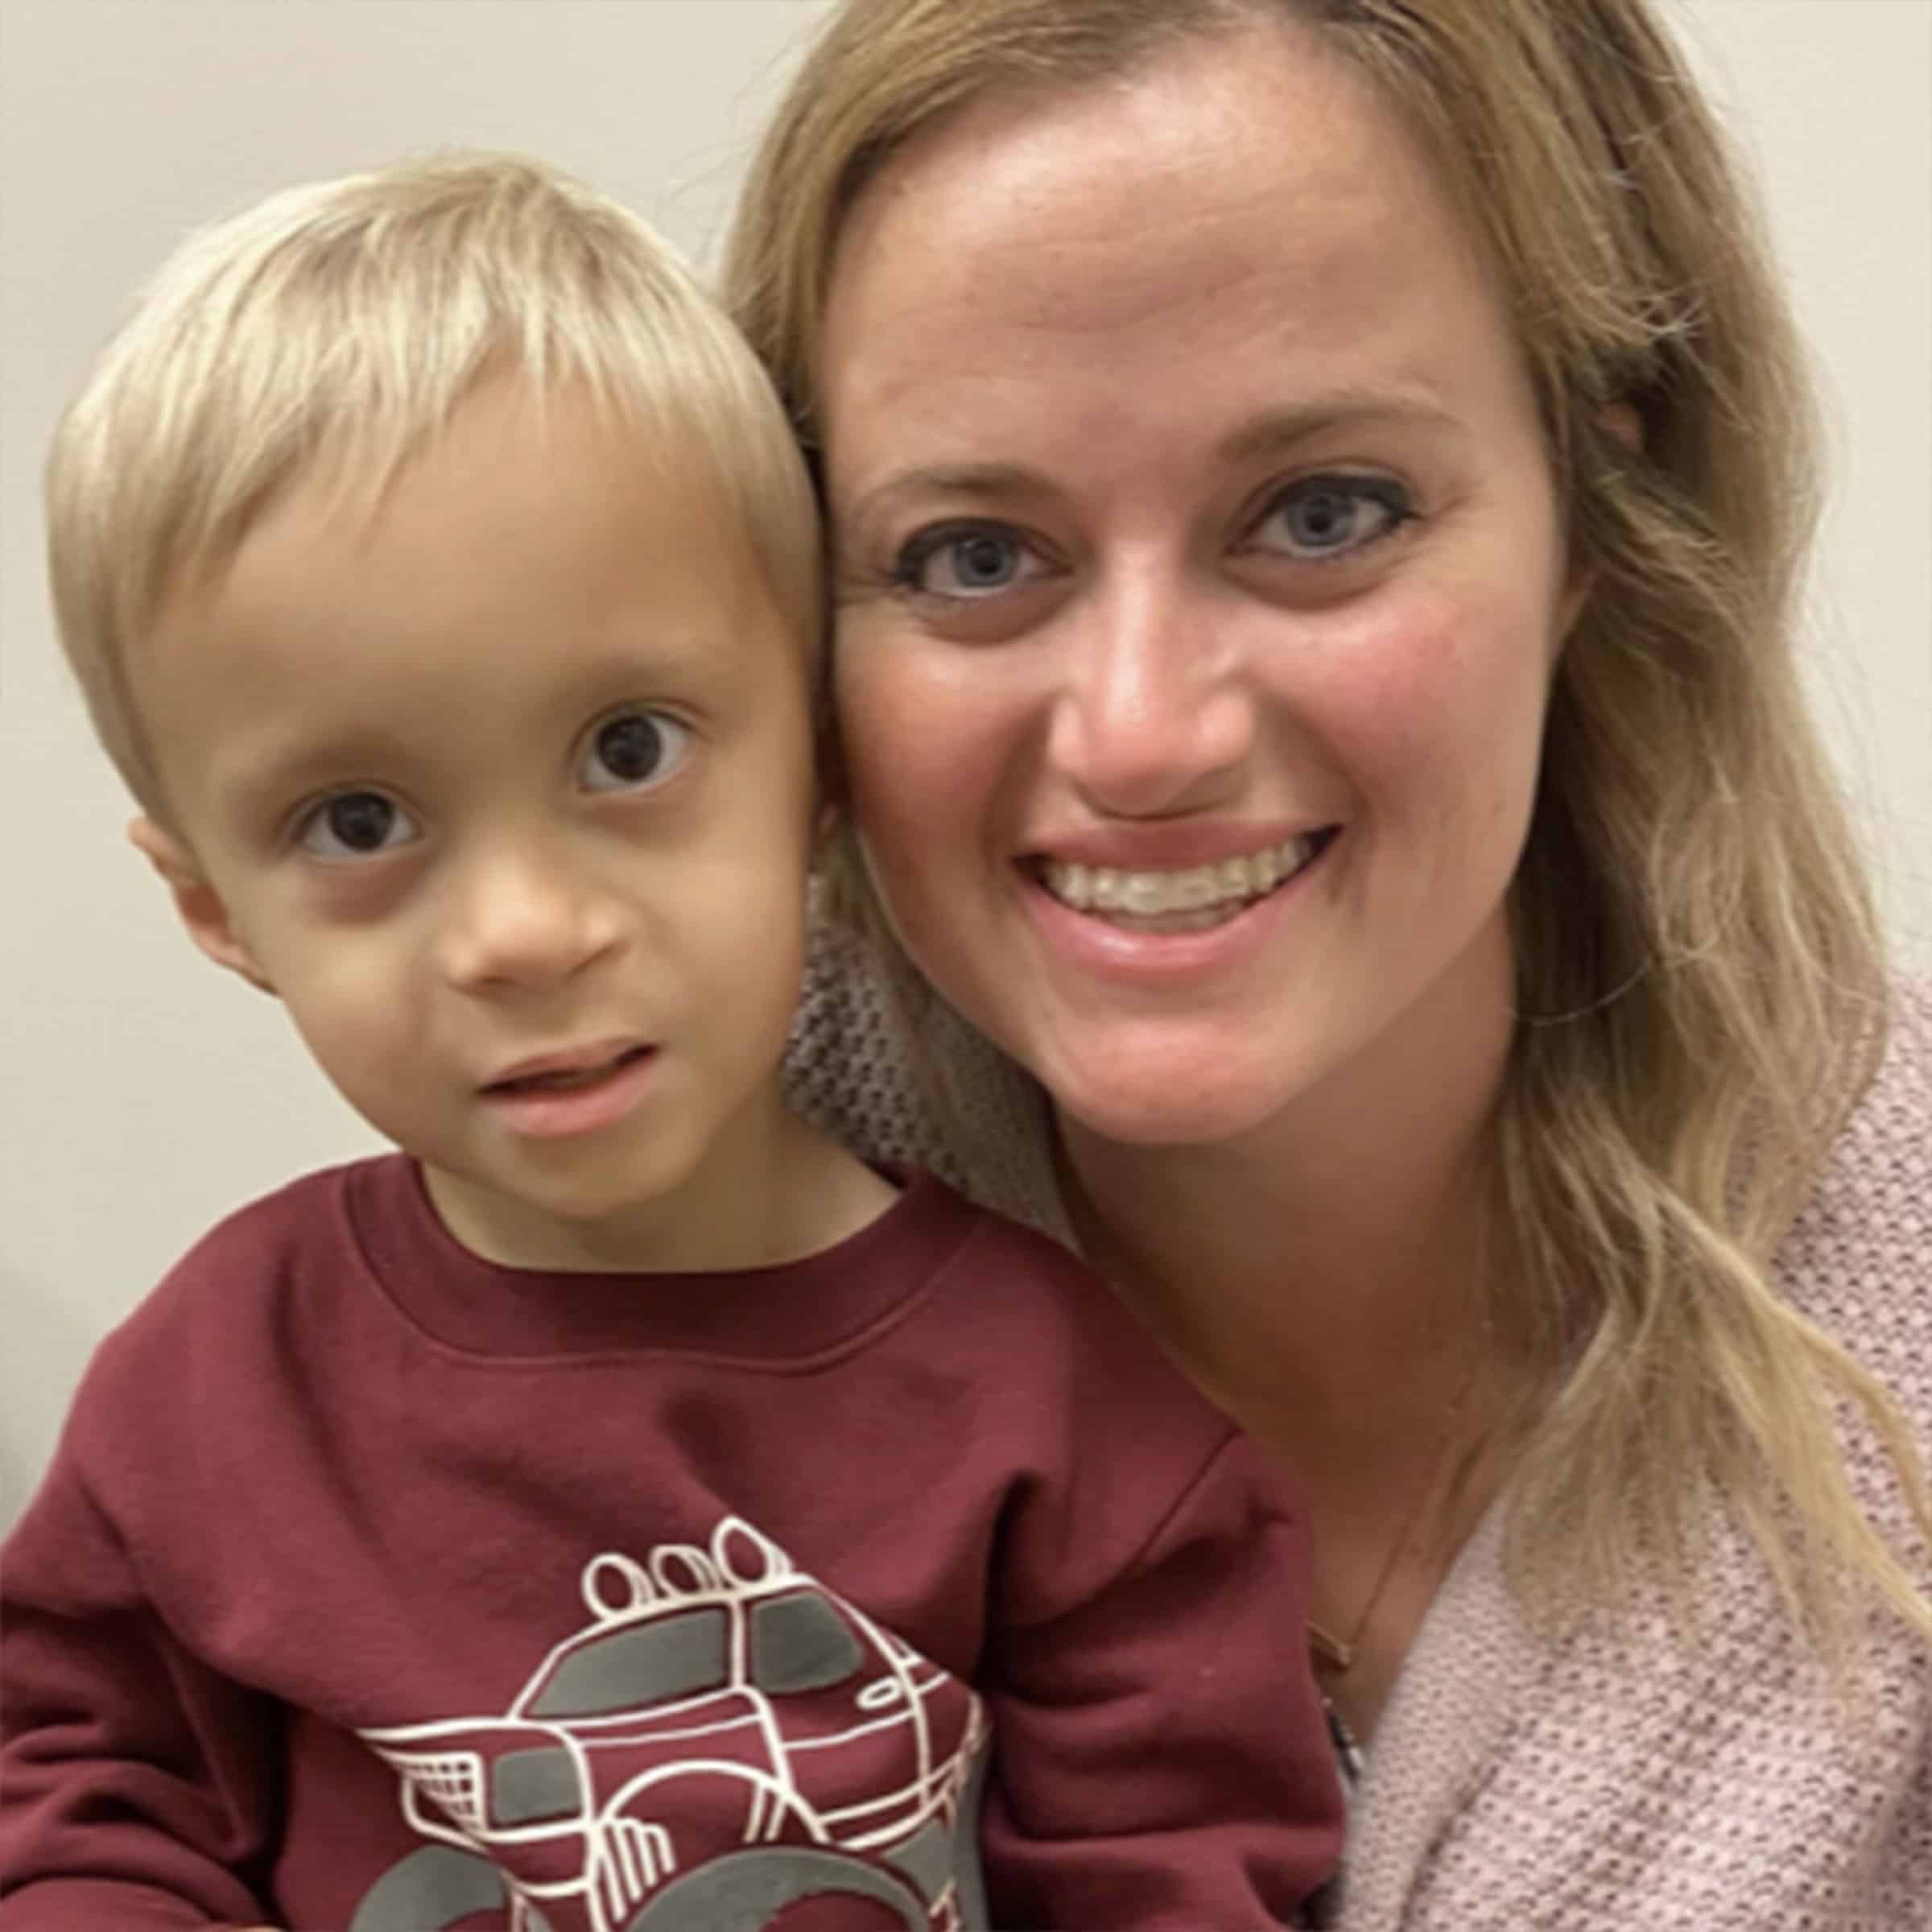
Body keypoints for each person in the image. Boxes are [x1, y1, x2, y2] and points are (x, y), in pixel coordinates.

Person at [0, 154, 1345, 1930]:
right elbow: (76, 1799)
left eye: (627, 751)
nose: (521, 935)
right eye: (355, 821)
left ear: (819, 766)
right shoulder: (213, 1391)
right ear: (216, 911)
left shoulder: (1068, 1424)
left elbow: (1180, 1868)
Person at [723, 0, 1932, 1924]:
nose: (1139, 733)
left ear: (1598, 524)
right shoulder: (602, 1263)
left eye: (1321, 515)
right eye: (971, 554)